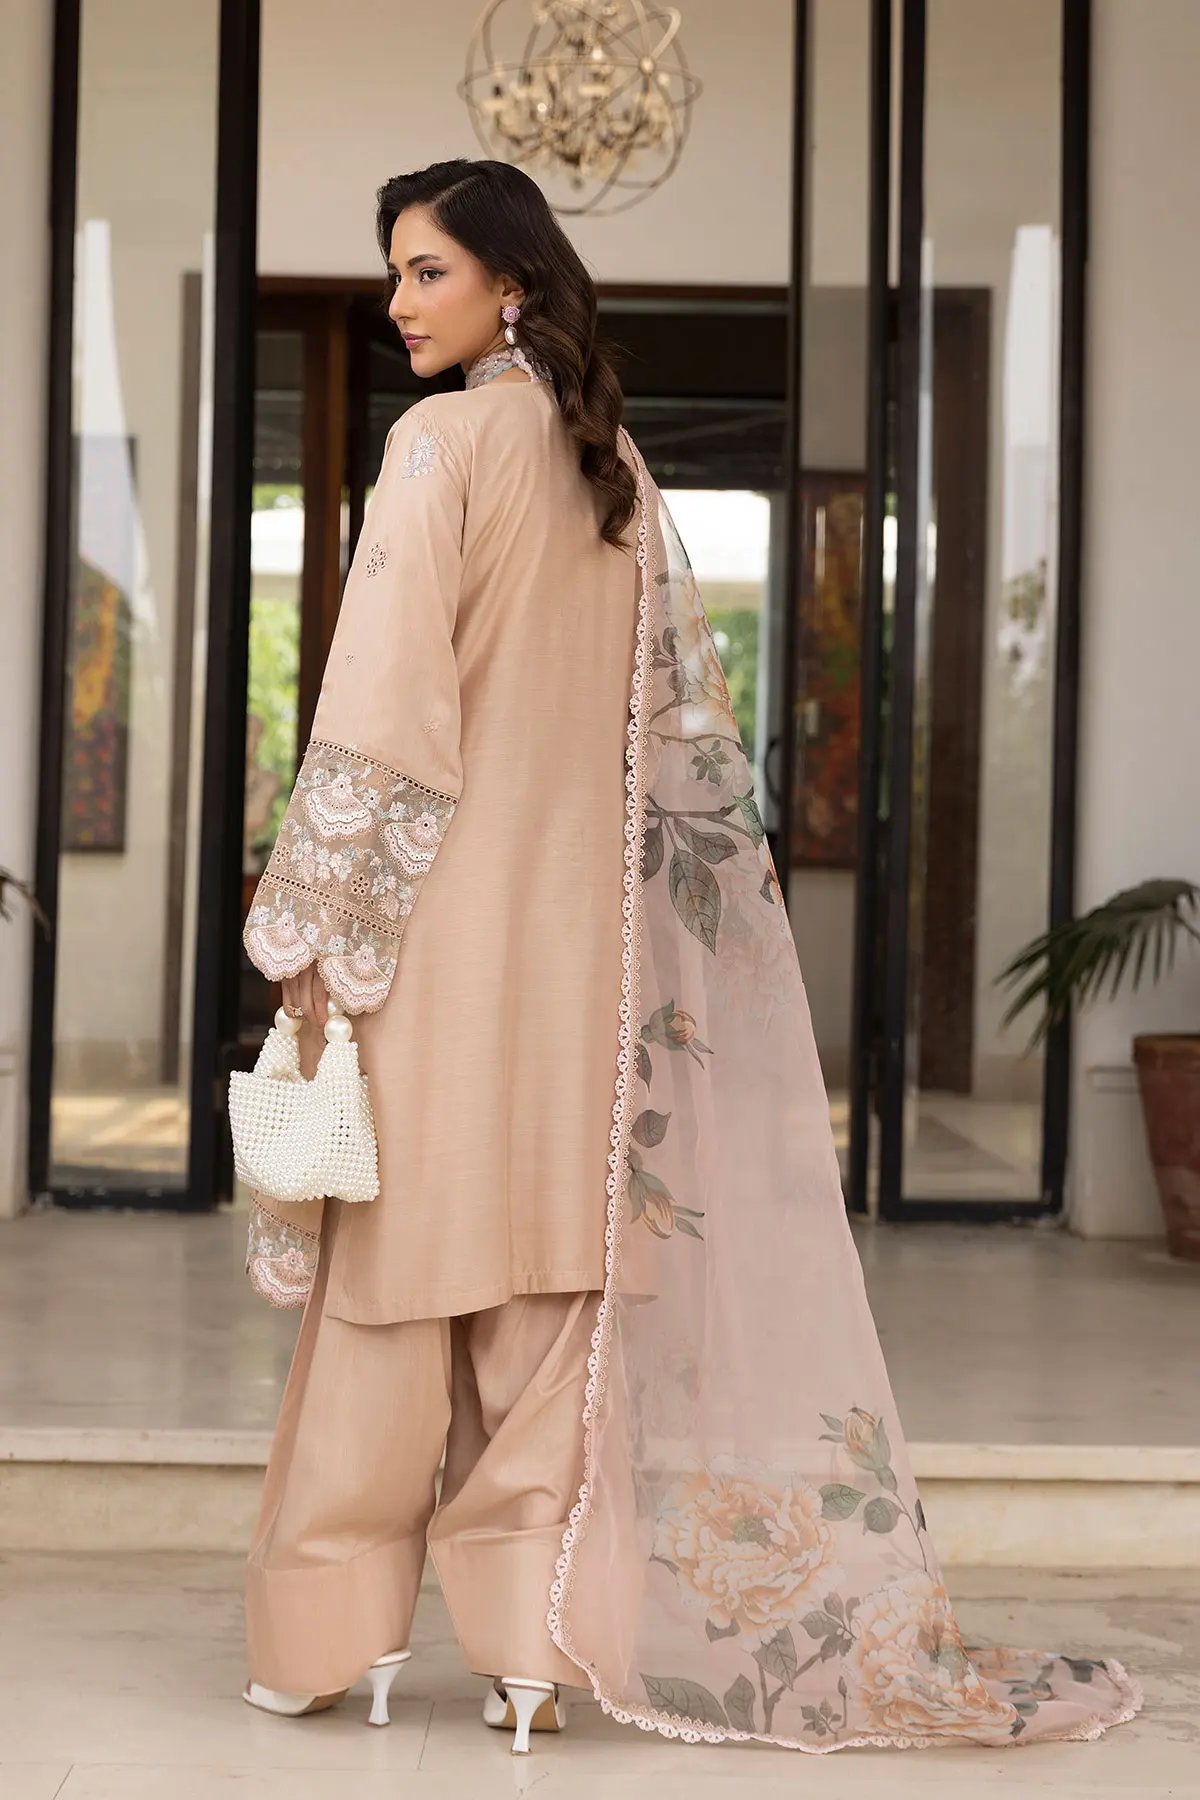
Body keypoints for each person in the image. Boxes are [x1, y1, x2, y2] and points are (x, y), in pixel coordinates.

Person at [237, 157, 1143, 1758]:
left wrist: (312, 927)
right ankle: (527, 1657)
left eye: (426, 272)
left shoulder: (437, 445)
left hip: (440, 949)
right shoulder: (616, 472)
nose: (398, 303)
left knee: (391, 1296)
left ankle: (328, 1633)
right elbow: (682, 747)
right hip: (585, 966)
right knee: (547, 1307)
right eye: (394, 273)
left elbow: (384, 710)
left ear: (511, 283)